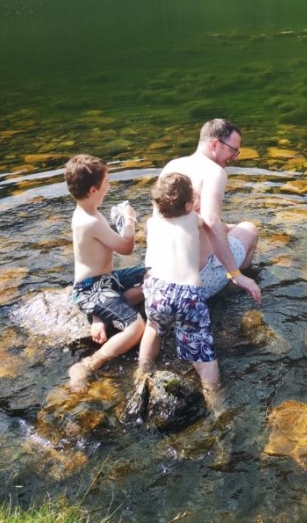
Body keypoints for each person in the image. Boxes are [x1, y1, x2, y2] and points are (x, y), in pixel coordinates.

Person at [138, 172, 222, 412]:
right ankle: (215, 402)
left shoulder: (151, 223)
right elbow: (208, 221)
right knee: (202, 355)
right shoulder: (193, 219)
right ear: (188, 205)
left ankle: (142, 372)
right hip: (187, 295)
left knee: (152, 328)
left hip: (157, 290)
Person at [65, 153, 146, 391]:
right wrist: (129, 221)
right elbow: (126, 247)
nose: (109, 185)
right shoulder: (91, 221)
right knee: (137, 326)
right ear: (94, 190)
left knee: (153, 276)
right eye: (107, 182)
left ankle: (100, 316)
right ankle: (90, 363)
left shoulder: (88, 212)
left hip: (105, 281)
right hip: (91, 290)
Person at [162, 119, 261, 305]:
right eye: (233, 150)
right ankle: (236, 287)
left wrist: (225, 228)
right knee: (249, 229)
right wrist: (235, 273)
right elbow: (211, 221)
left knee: (230, 228)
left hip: (164, 276)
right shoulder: (214, 172)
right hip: (198, 283)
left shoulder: (172, 166)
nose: (235, 157)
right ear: (215, 144)